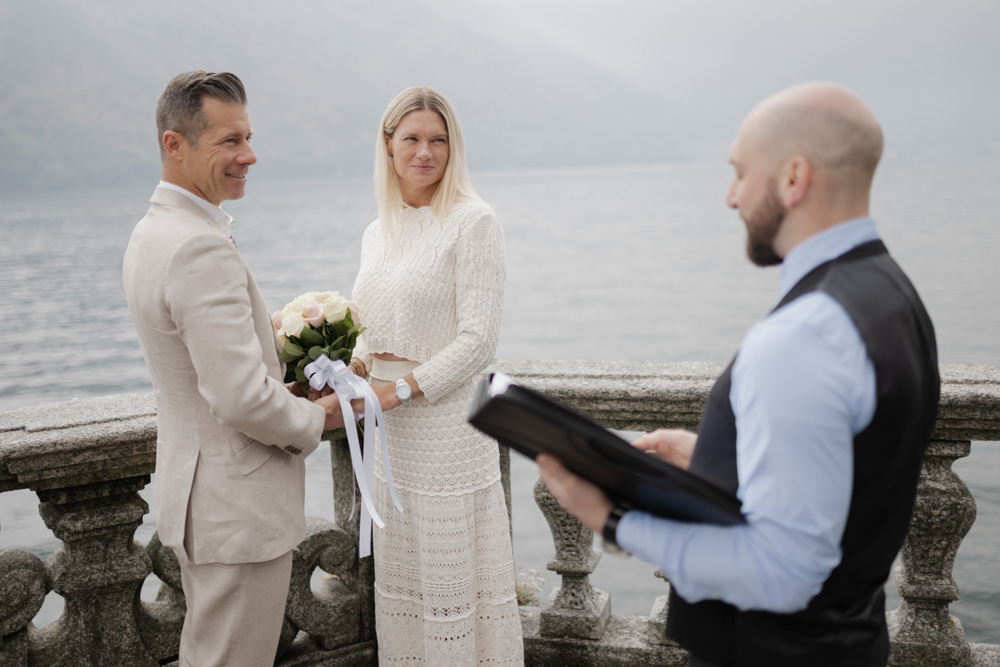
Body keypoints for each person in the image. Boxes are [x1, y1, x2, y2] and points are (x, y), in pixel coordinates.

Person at [538, 82, 939, 667]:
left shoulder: (801, 336)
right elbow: (851, 473)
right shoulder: (897, 298)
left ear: (793, 178)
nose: (731, 196)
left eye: (740, 172)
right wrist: (719, 457)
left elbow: (781, 574)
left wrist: (613, 517)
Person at [122, 70, 345, 667]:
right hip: (235, 511)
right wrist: (314, 417)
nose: (249, 155)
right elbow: (239, 399)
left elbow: (205, 373)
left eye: (247, 137)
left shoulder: (151, 233)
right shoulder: (197, 247)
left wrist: (277, 372)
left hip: (199, 500)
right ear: (176, 144)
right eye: (229, 141)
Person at [347, 86, 524, 665]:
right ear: (388, 144)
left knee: (454, 589)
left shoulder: (473, 222)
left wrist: (397, 391)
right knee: (406, 590)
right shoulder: (379, 231)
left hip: (445, 434)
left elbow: (477, 341)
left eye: (438, 140)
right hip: (390, 439)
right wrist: (350, 362)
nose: (425, 152)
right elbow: (372, 327)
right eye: (413, 139)